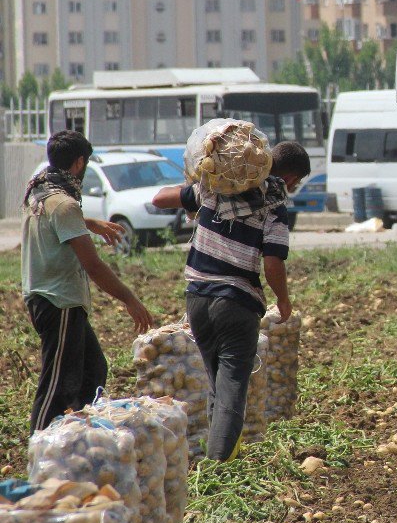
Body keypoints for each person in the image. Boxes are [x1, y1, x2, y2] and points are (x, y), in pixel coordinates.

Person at [153, 140, 311, 460]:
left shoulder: (214, 189)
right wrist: (283, 300)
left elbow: (159, 198)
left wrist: (198, 186)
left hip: (197, 298)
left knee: (218, 385)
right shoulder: (273, 206)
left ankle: (217, 456)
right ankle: (221, 470)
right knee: (232, 391)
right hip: (236, 304)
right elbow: (272, 263)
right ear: (291, 179)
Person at [22, 130, 155, 433]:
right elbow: (93, 265)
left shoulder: (40, 189)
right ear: (80, 162)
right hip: (59, 301)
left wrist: (90, 223)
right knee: (57, 385)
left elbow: (59, 219)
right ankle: (41, 448)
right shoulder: (64, 203)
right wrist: (130, 299)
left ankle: (79, 437)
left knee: (93, 370)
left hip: (54, 298)